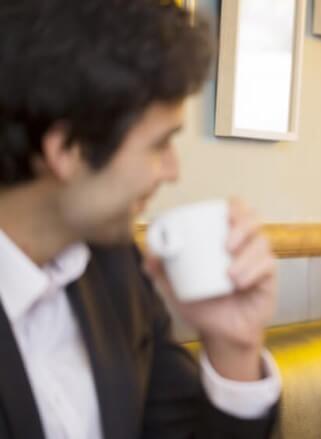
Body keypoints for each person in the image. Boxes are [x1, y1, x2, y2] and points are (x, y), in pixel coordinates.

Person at [0, 0, 280, 437]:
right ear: (66, 151)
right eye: (159, 144)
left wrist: (234, 349)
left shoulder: (116, 272)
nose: (173, 171)